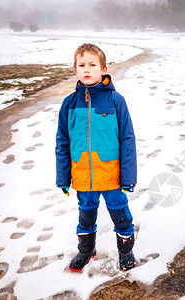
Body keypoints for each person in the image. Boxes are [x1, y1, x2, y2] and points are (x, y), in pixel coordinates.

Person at [55, 43, 137, 272]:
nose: (87, 69)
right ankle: (86, 250)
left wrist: (128, 176)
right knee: (86, 212)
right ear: (75, 70)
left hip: (112, 174)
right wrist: (63, 177)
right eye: (82, 65)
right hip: (82, 174)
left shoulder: (115, 101)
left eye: (92, 64)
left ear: (103, 69)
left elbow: (128, 140)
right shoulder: (69, 104)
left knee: (119, 212)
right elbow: (62, 142)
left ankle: (125, 250)